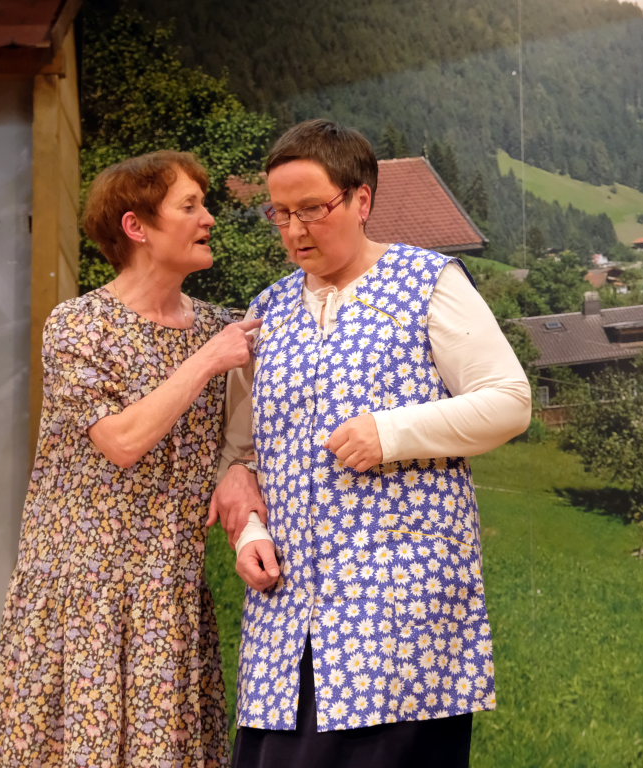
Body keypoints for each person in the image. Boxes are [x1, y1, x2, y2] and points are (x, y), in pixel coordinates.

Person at [214, 119, 532, 768]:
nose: (295, 231)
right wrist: (247, 527)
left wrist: (391, 433)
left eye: (312, 209)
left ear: (361, 199)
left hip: (399, 613)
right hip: (288, 615)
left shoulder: (427, 283)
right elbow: (239, 453)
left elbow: (508, 401)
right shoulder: (267, 310)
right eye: (280, 214)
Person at [0, 150, 261, 768]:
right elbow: (122, 441)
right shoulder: (80, 326)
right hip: (81, 600)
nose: (209, 218)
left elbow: (244, 445)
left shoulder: (219, 330)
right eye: (189, 206)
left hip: (169, 597)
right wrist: (208, 361)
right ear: (137, 226)